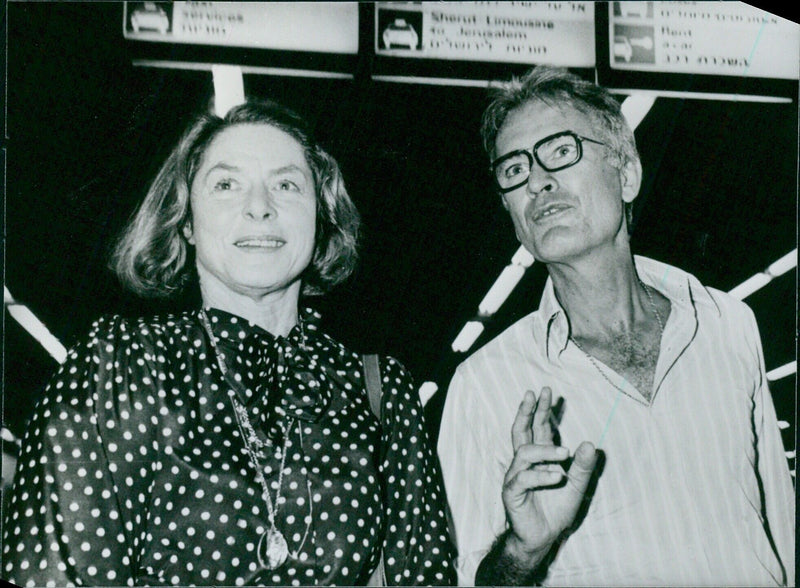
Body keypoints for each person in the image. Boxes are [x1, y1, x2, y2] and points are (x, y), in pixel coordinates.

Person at [2, 99, 455, 586]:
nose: (260, 207)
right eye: (225, 184)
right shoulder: (117, 369)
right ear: (188, 222)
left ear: (320, 217)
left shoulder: (381, 391)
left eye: (287, 184)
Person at [437, 66, 795, 587]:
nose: (536, 180)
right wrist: (524, 547)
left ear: (627, 174)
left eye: (560, 151)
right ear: (511, 212)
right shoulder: (483, 386)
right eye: (513, 169)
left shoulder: (727, 325)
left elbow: (781, 527)